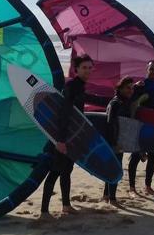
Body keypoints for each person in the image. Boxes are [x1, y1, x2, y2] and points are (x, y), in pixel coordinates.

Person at [40, 54, 110, 217]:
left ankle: (66, 205)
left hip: (71, 136)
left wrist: (116, 97)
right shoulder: (72, 86)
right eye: (84, 67)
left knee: (66, 170)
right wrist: (60, 140)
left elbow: (90, 100)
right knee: (55, 171)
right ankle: (44, 211)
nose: (87, 70)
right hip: (63, 137)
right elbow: (64, 113)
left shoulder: (80, 86)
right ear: (76, 69)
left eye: (89, 67)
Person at [128, 60, 154, 196]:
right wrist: (135, 86)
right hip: (142, 124)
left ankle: (148, 186)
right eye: (151, 69)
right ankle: (132, 188)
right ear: (146, 70)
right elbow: (133, 103)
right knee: (136, 155)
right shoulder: (142, 84)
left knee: (153, 155)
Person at [102, 76, 134, 205]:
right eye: (128, 88)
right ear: (120, 88)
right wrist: (114, 143)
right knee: (116, 169)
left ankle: (106, 195)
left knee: (112, 168)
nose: (130, 90)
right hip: (113, 141)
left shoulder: (123, 101)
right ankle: (113, 199)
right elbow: (110, 124)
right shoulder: (115, 103)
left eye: (131, 88)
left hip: (118, 140)